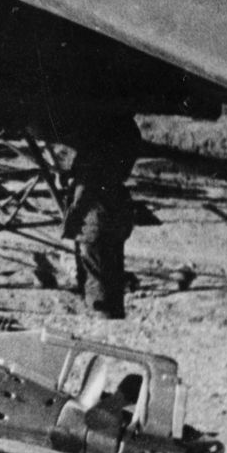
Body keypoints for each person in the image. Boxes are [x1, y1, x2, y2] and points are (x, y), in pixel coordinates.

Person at [48, 111, 144, 319]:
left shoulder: (96, 141)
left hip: (96, 214)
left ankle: (101, 315)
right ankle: (114, 313)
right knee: (113, 265)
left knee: (95, 271)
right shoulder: (129, 131)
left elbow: (85, 185)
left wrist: (71, 220)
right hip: (118, 208)